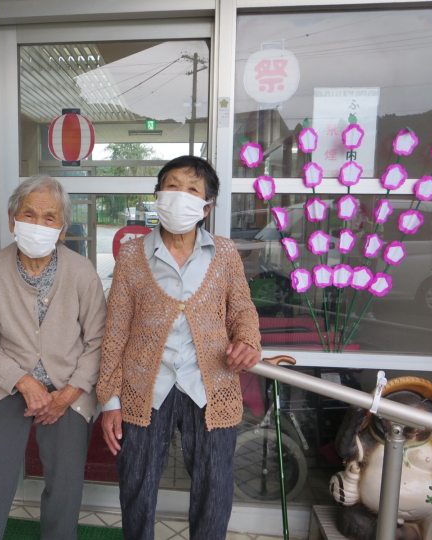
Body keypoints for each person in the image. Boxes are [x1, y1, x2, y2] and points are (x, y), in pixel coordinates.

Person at [97, 155, 262, 540]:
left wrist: (247, 339)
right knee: (136, 487)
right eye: (172, 186)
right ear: (158, 194)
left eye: (192, 189)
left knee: (214, 491)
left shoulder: (224, 253)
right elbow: (116, 330)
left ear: (207, 206)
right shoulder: (133, 255)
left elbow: (242, 308)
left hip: (210, 386)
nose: (180, 195)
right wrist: (110, 400)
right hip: (144, 388)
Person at [0, 175, 107, 540]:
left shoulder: (82, 272)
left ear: (62, 229)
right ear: (12, 220)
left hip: (69, 386)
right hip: (7, 383)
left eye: (49, 217)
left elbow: (99, 341)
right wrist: (24, 382)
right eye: (29, 214)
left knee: (66, 482)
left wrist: (69, 394)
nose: (38, 224)